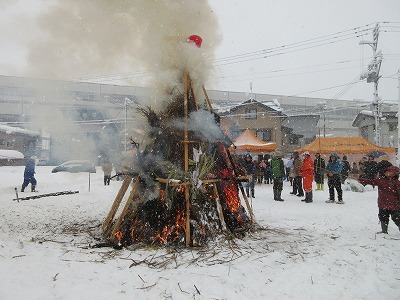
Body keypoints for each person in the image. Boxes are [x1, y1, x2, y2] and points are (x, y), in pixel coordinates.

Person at [358, 165, 400, 234]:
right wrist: (361, 180)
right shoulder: (381, 180)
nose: (387, 173)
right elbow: (372, 181)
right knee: (383, 217)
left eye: (390, 172)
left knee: (397, 218)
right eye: (386, 171)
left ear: (395, 173)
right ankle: (384, 230)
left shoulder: (397, 183)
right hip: (383, 204)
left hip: (394, 205)